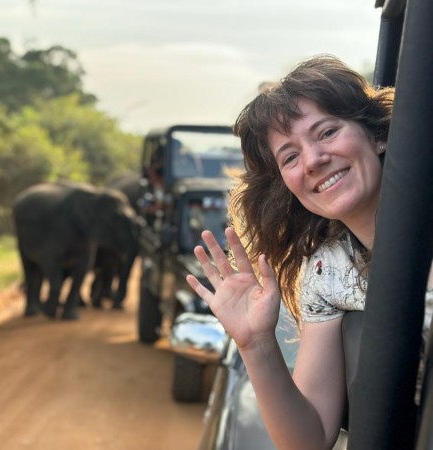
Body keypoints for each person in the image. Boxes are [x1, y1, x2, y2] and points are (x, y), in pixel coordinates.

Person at [186, 54, 433, 449]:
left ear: (379, 134)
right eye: (290, 157)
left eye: (327, 132)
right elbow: (310, 439)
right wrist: (256, 344)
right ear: (286, 186)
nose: (314, 160)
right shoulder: (326, 270)